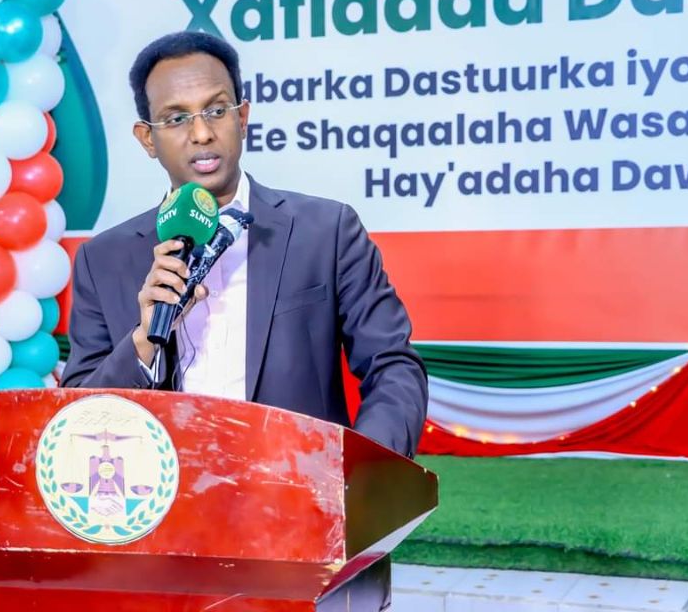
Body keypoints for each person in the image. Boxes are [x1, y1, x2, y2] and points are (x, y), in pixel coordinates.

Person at [61, 31, 428, 457]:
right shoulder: (102, 260)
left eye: (217, 110)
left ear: (243, 117)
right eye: (176, 119)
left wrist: (362, 475)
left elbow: (393, 366)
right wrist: (144, 339)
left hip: (297, 488)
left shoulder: (326, 232)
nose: (202, 133)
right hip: (165, 492)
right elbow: (79, 414)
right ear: (147, 138)